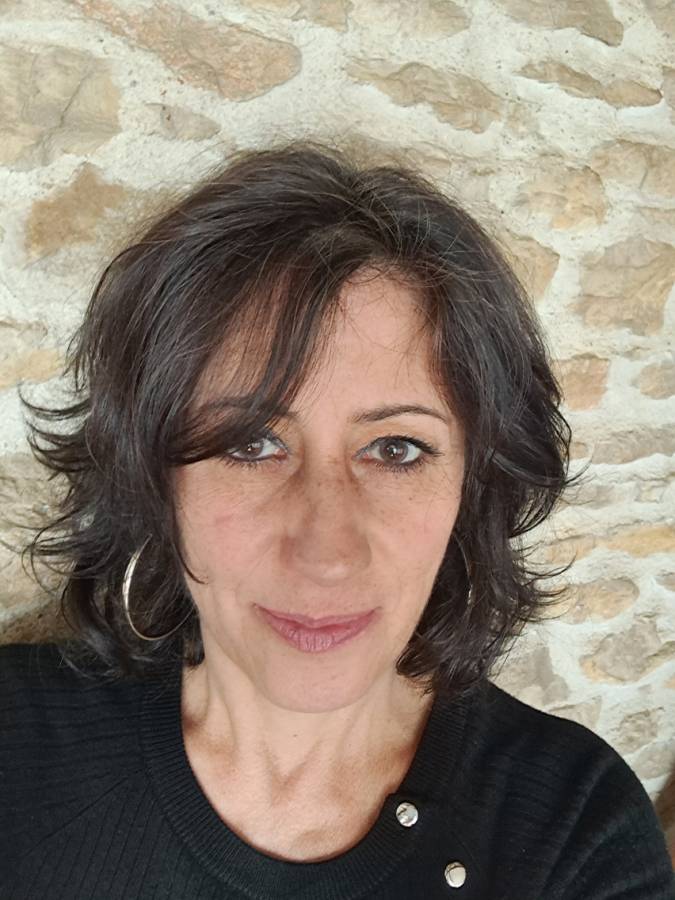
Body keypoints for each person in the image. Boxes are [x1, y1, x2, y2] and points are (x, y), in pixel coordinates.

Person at [1, 139, 673, 900]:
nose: (326, 553)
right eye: (250, 444)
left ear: (472, 485)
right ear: (154, 477)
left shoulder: (575, 830)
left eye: (395, 449)